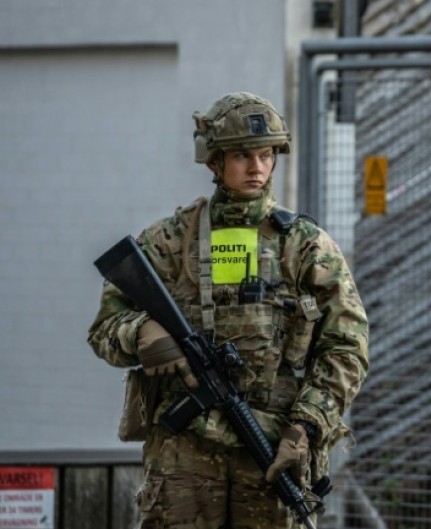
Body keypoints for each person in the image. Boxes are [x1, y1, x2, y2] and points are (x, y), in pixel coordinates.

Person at [88, 92, 369, 529]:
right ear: (214, 161)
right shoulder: (170, 242)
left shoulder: (305, 246)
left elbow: (346, 346)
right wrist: (142, 334)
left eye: (266, 154)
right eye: (242, 155)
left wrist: (306, 426)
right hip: (184, 455)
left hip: (273, 448)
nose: (257, 167)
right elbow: (105, 328)